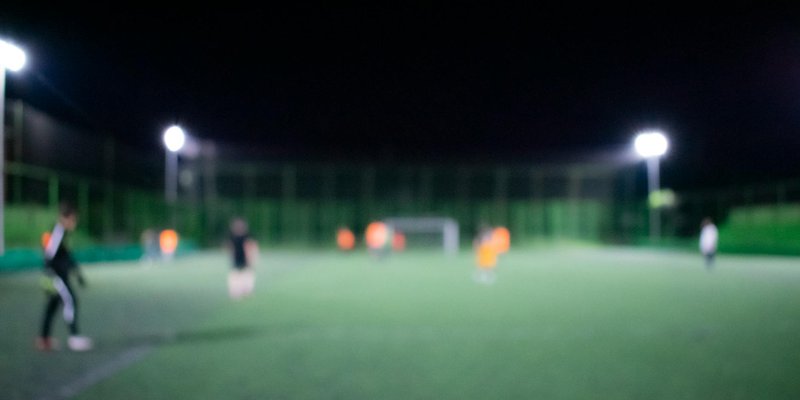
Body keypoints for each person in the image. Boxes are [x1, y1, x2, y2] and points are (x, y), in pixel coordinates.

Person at [37, 203, 93, 352]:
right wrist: (51, 276)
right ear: (65, 218)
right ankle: (74, 338)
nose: (75, 223)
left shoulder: (63, 233)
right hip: (56, 276)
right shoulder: (58, 232)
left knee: (52, 306)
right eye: (73, 219)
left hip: (57, 275)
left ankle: (44, 339)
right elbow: (49, 255)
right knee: (71, 300)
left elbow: (67, 256)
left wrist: (77, 274)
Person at [227, 217, 259, 300]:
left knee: (247, 274)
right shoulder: (232, 236)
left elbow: (250, 246)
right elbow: (230, 247)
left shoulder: (247, 236)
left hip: (245, 259)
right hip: (236, 258)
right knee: (235, 275)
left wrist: (251, 258)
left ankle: (247, 291)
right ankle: (235, 291)